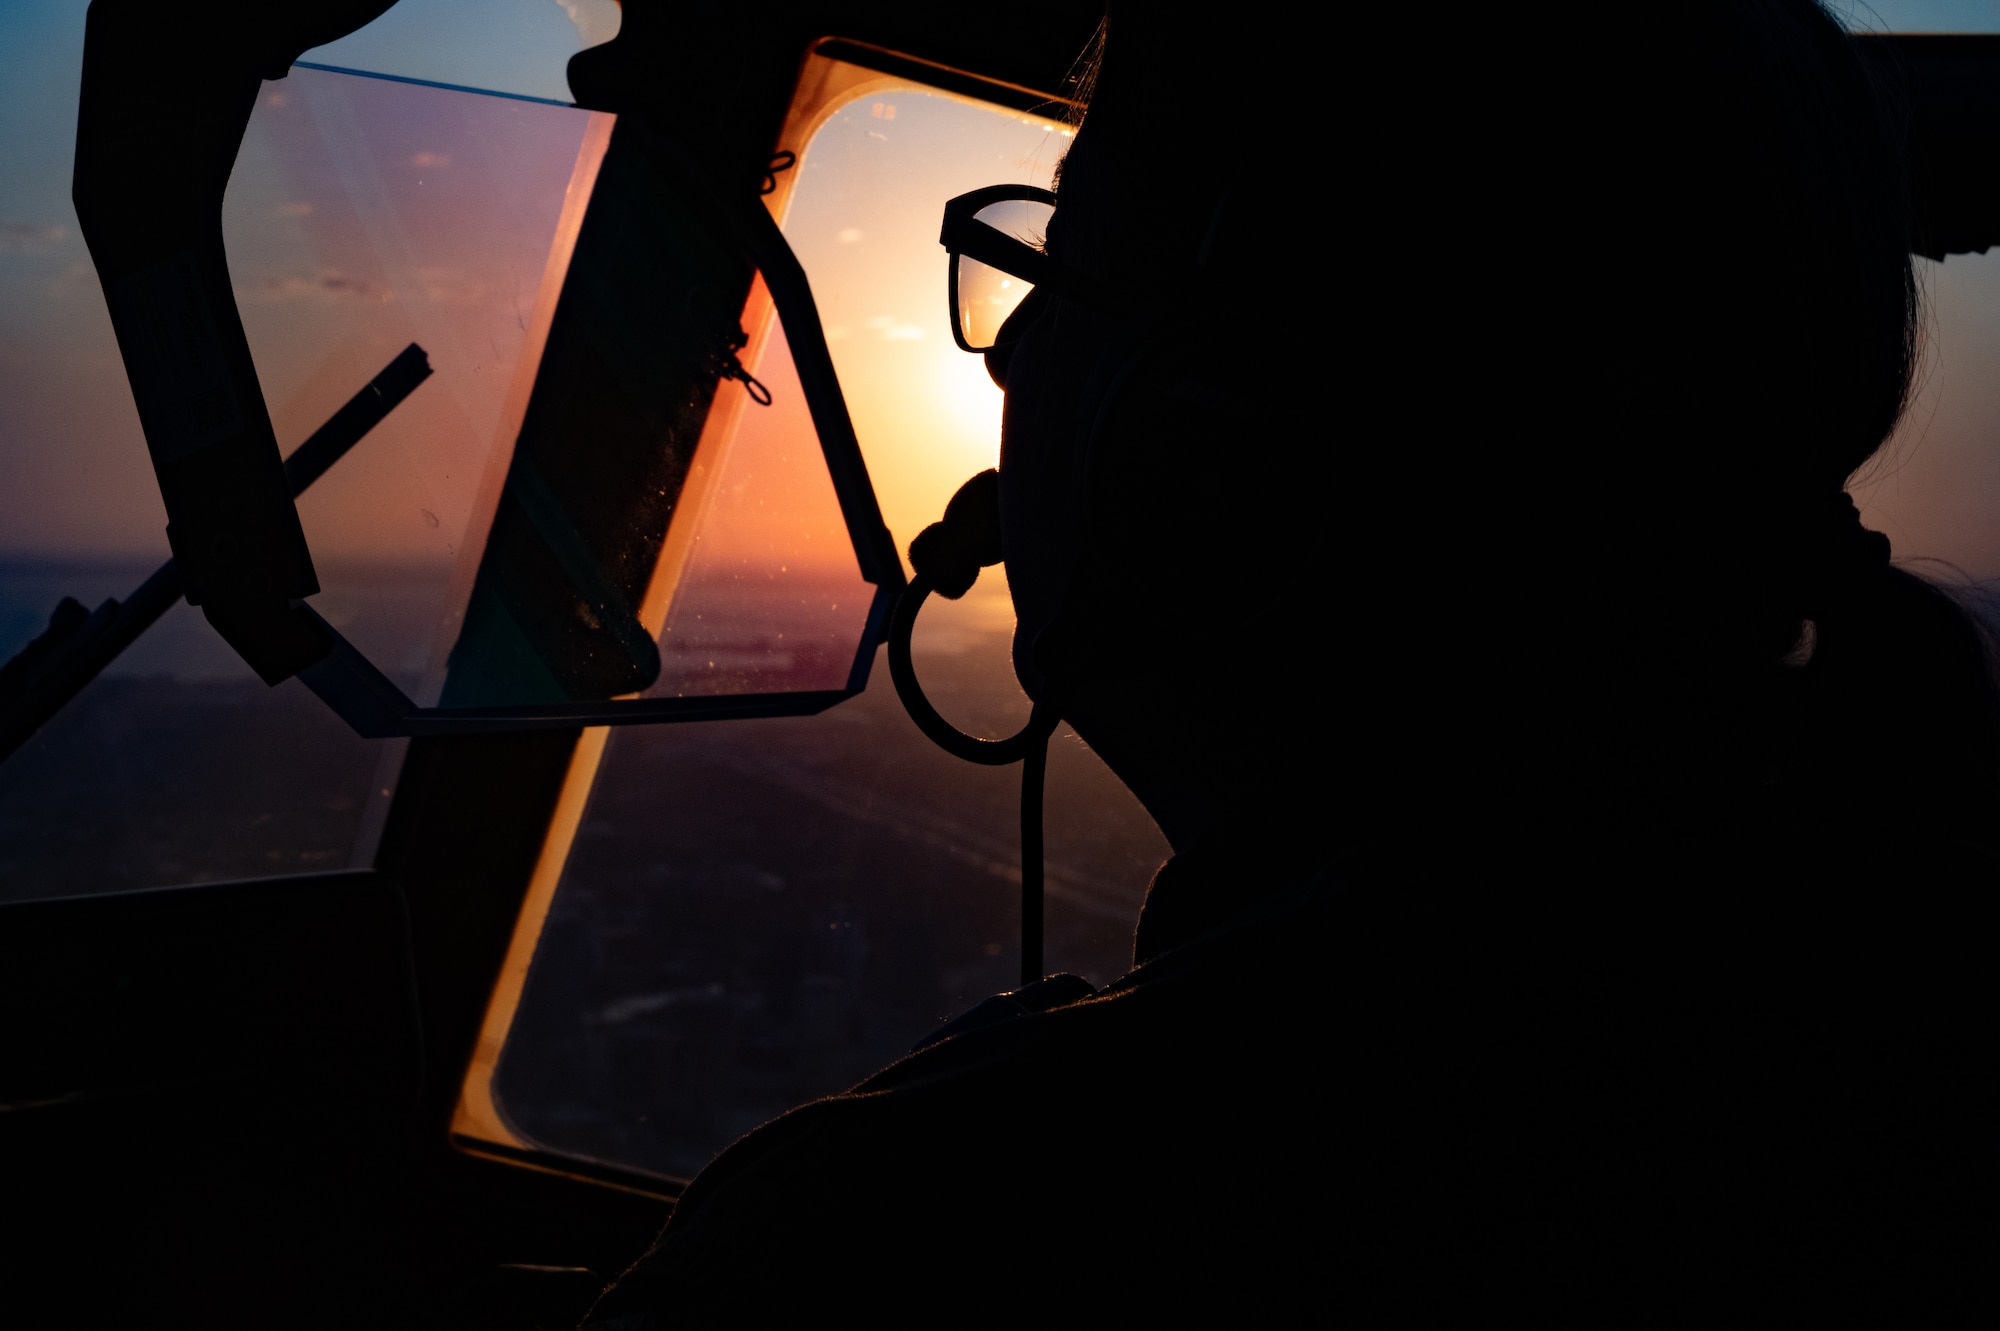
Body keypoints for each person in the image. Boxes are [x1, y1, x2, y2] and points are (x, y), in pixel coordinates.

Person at [583, 3, 1996, 1321]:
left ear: (1210, 447)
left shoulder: (897, 1246)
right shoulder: (1842, 976)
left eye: (1064, 261)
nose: (1013, 353)